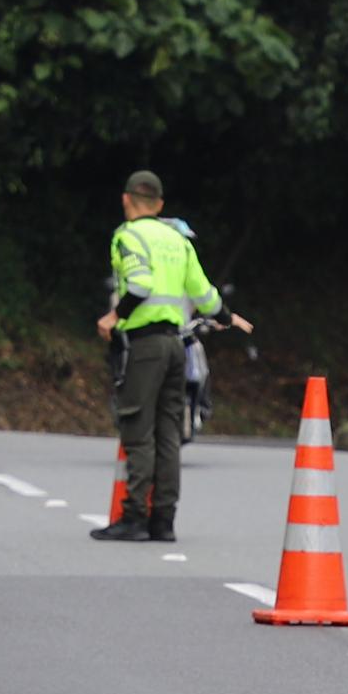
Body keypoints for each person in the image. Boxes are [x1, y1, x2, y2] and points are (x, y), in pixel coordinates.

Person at [91, 171, 238, 544]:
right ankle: (164, 520)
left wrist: (113, 316)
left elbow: (138, 285)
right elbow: (204, 294)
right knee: (169, 432)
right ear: (159, 205)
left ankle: (135, 517)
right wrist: (226, 316)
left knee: (138, 429)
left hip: (146, 345)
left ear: (127, 200)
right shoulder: (177, 240)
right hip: (177, 346)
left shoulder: (128, 236)